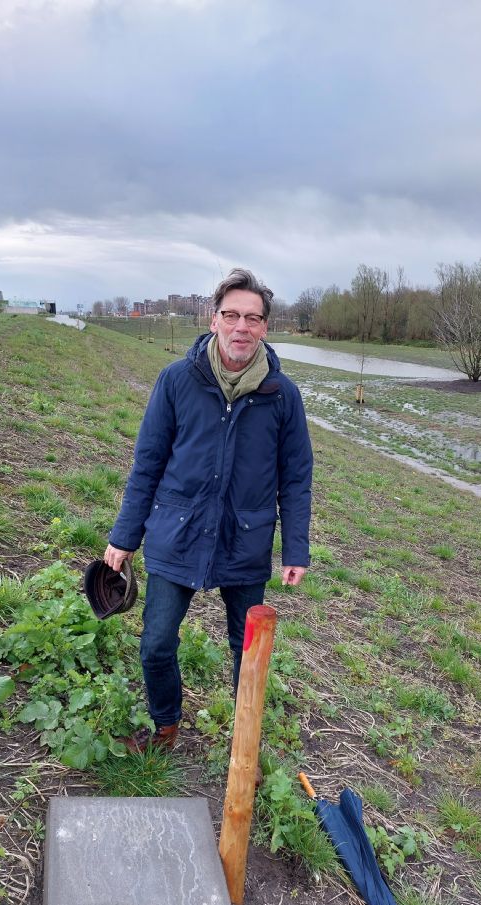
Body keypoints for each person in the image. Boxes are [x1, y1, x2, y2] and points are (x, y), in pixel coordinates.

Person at [103, 268, 313, 752]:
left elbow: (296, 478)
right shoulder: (177, 380)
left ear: (264, 328)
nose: (242, 327)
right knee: (156, 643)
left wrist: (295, 548)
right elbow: (147, 464)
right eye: (232, 315)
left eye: (253, 318)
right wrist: (123, 537)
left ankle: (244, 748)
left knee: (249, 655)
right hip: (176, 533)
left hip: (246, 542)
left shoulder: (282, 396)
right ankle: (166, 728)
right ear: (214, 319)